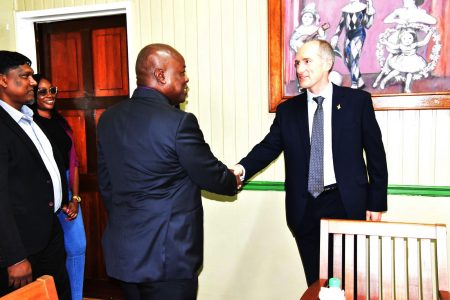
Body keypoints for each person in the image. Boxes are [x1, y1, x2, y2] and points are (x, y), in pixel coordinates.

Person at [233, 40, 388, 286]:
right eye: (297, 63)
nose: (300, 69)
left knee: (347, 282)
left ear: (327, 63)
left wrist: (377, 202)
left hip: (346, 203)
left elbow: (376, 154)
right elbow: (268, 147)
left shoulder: (357, 102)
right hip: (305, 207)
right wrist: (240, 169)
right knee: (316, 283)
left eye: (307, 62)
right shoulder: (288, 111)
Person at [97, 43, 240, 300]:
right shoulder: (178, 122)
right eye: (182, 71)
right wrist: (232, 179)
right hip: (168, 259)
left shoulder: (108, 118)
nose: (186, 79)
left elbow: (106, 185)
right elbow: (210, 174)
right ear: (161, 75)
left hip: (124, 253)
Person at [0, 51, 71, 299]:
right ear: (2, 80)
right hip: (21, 244)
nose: (32, 82)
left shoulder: (29, 118)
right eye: (25, 76)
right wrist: (14, 256)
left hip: (48, 231)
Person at [30, 74, 86, 300]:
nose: (49, 95)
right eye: (42, 91)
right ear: (32, 96)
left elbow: (73, 164)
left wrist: (75, 199)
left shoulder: (62, 124)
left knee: (77, 246)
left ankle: (76, 297)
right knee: (48, 255)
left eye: (51, 90)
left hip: (68, 192)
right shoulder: (29, 125)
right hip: (43, 196)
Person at [330, 0, 375, 89]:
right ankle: (360, 81)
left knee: (354, 58)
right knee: (347, 60)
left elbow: (368, 25)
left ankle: (355, 84)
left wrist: (370, 13)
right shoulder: (346, 9)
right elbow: (341, 24)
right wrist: (335, 36)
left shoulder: (364, 7)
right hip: (349, 35)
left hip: (358, 34)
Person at [373, 28, 433, 93]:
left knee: (410, 74)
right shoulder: (401, 45)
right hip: (402, 60)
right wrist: (386, 42)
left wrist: (430, 33)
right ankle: (384, 81)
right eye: (404, 38)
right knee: (396, 71)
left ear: (413, 38)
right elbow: (393, 46)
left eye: (410, 38)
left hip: (413, 60)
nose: (407, 40)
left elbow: (424, 42)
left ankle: (407, 87)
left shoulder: (414, 45)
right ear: (401, 39)